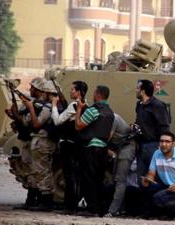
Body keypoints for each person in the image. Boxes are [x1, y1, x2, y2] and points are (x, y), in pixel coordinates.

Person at [5, 77, 46, 209]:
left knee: (35, 171)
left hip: (33, 140)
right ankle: (31, 200)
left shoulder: (39, 106)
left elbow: (25, 121)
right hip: (28, 140)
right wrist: (13, 114)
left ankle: (38, 200)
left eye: (33, 87)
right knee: (30, 171)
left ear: (39, 90)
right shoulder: (33, 103)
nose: (30, 89)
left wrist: (17, 115)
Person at [75, 85, 115, 217]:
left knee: (89, 179)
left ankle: (91, 208)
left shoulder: (93, 110)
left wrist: (79, 109)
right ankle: (100, 208)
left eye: (94, 92)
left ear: (98, 94)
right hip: (103, 148)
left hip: (91, 148)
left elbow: (79, 125)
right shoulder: (110, 112)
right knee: (99, 178)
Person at [51, 80, 88, 212]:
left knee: (68, 175)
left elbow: (57, 121)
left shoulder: (74, 105)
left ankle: (70, 205)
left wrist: (54, 105)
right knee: (74, 175)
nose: (70, 91)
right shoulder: (84, 105)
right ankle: (72, 204)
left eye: (73, 89)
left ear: (79, 92)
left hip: (68, 144)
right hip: (76, 145)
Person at [141, 131, 175, 220]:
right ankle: (164, 214)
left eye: (167, 142)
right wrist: (148, 179)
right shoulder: (157, 153)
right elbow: (151, 173)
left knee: (158, 197)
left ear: (173, 144)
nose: (163, 144)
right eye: (161, 141)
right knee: (146, 188)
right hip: (168, 185)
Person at [22, 79, 58, 211]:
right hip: (38, 140)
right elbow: (27, 123)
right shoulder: (43, 105)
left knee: (42, 171)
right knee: (36, 170)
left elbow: (37, 124)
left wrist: (31, 108)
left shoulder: (48, 107)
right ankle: (34, 199)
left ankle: (46, 202)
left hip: (43, 141)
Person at [135, 79, 170, 179]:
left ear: (143, 91)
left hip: (153, 146)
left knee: (156, 176)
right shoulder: (139, 105)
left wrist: (163, 146)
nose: (135, 90)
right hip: (141, 146)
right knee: (141, 177)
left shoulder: (157, 106)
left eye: (137, 88)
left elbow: (164, 127)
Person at [105, 113, 136, 217]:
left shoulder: (113, 118)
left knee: (120, 180)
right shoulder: (109, 117)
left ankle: (112, 211)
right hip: (120, 147)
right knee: (116, 180)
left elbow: (107, 138)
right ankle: (120, 209)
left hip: (127, 147)